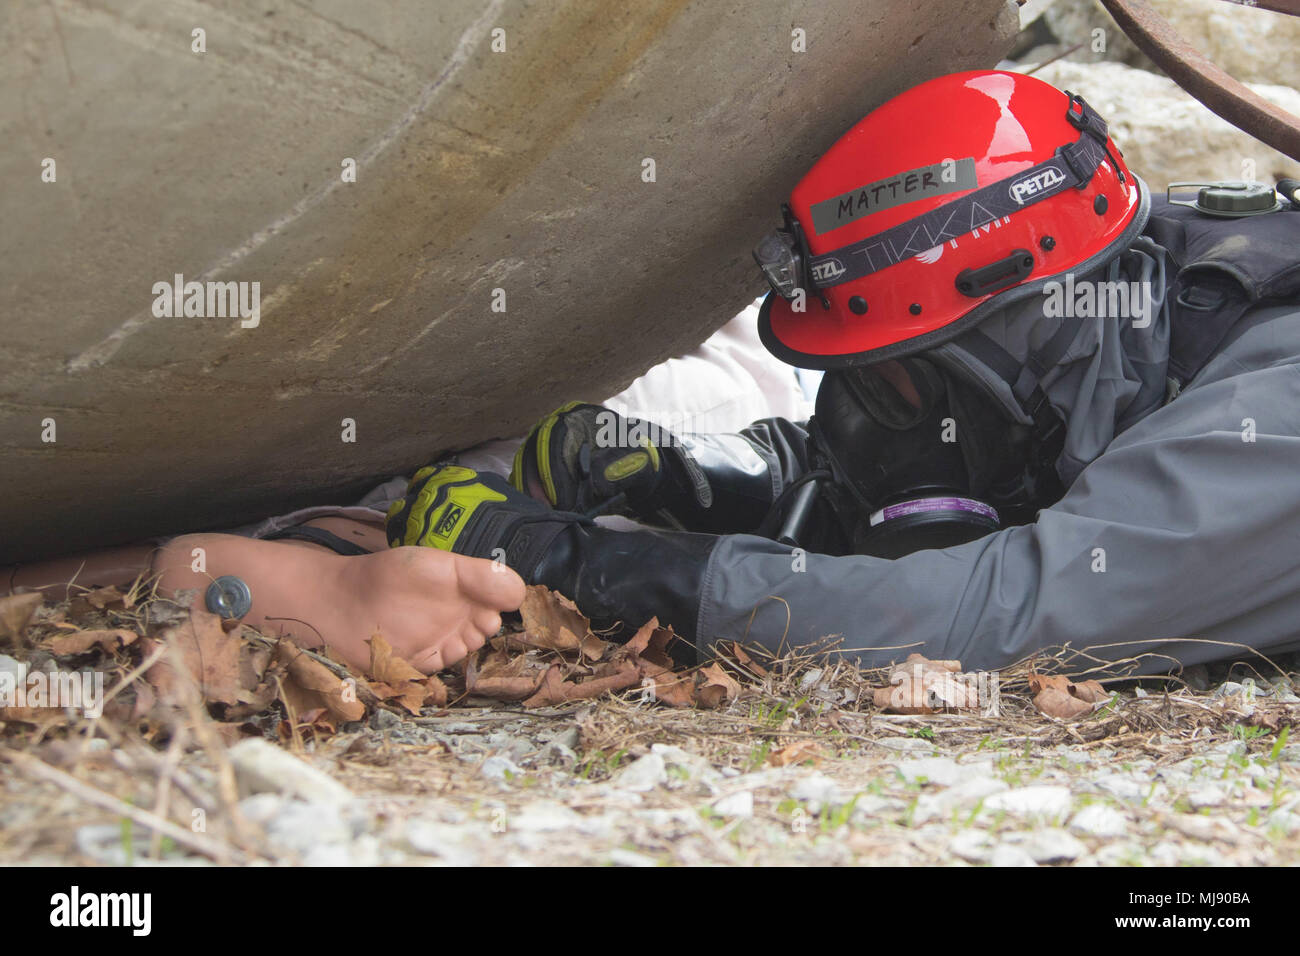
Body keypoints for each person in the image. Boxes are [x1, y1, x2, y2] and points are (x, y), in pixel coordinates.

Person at [385, 70, 1300, 677]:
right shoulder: (1130, 277)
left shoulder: (1272, 416)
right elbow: (1000, 443)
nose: (876, 412)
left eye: (902, 376)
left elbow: (1000, 611)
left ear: (1015, 314)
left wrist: (578, 565)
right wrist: (696, 478)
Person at [4, 311, 807, 676]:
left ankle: (328, 547)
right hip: (764, 393)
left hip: (737, 361)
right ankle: (318, 545)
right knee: (590, 443)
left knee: (568, 446)